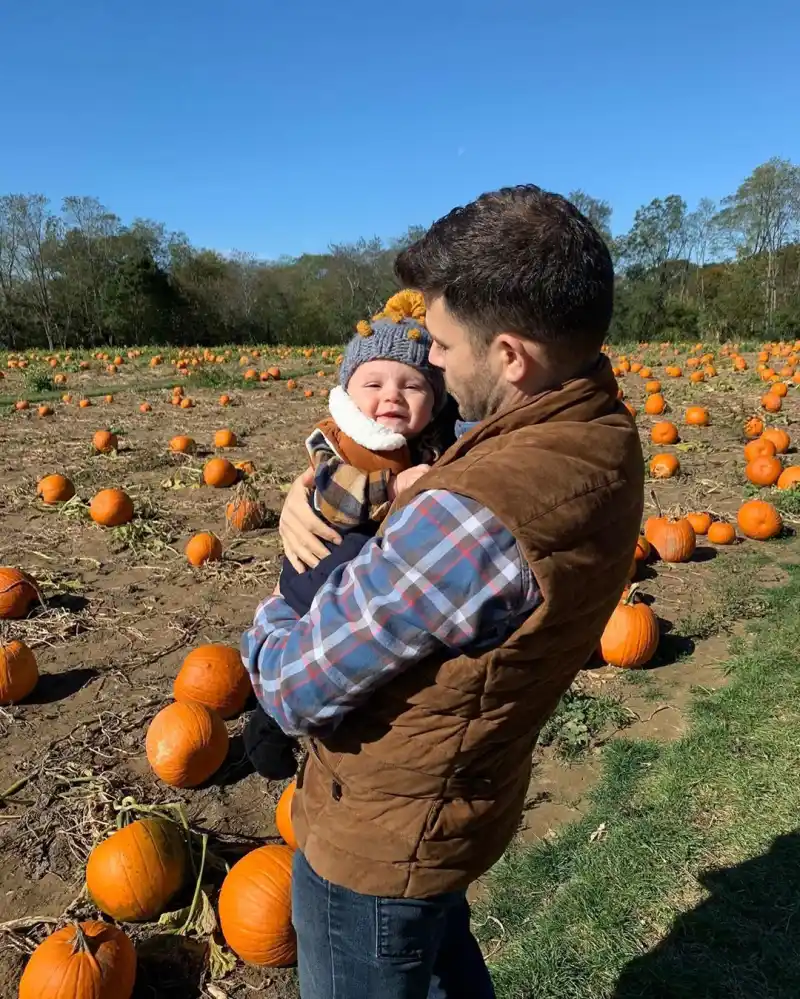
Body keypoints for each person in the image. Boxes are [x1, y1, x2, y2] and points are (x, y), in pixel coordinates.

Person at [242, 184, 645, 999]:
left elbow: (293, 686)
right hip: (453, 802)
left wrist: (272, 611)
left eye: (441, 346)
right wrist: (316, 489)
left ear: (508, 357)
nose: (431, 363)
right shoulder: (593, 429)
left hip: (376, 846)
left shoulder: (474, 516)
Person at [243, 293, 449, 780]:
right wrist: (393, 486)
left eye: (413, 386)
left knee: (349, 667)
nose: (392, 396)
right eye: (374, 383)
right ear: (349, 389)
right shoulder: (335, 436)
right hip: (316, 570)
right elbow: (333, 491)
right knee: (301, 651)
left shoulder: (431, 447)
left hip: (365, 582)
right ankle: (267, 721)